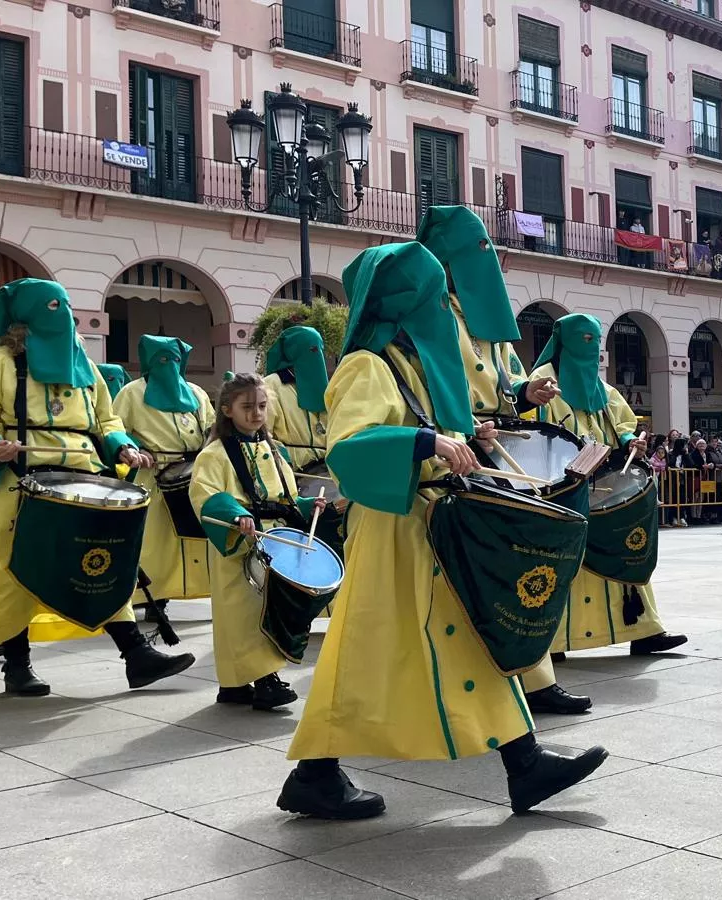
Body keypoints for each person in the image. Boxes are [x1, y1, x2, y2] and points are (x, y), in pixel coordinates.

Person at [282, 241, 607, 820]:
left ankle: (524, 763)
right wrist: (426, 442)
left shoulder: (410, 366)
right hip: (393, 531)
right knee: (366, 648)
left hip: (427, 526)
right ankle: (316, 773)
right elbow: (348, 448)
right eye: (434, 298)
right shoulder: (367, 365)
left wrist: (468, 435)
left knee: (466, 640)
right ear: (408, 304)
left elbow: (422, 429)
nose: (444, 312)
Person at [0, 279, 193, 696]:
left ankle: (136, 654)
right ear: (26, 315)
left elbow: (106, 419)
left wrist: (123, 446)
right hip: (20, 482)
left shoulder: (81, 360)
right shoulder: (0, 363)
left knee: (105, 563)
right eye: (52, 304)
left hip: (85, 477)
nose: (63, 312)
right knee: (15, 571)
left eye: (64, 303)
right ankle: (17, 665)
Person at [417, 205, 588, 716]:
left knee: (519, 563)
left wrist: (528, 391)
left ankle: (534, 679)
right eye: (475, 250)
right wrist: (465, 426)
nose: (485, 258)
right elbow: (425, 388)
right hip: (461, 455)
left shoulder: (487, 316)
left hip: (502, 449)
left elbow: (506, 382)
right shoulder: (429, 312)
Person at [524, 313, 688, 657]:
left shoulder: (600, 386)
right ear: (565, 340)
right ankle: (555, 642)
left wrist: (630, 440)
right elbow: (533, 427)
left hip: (602, 483)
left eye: (596, 340)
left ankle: (644, 630)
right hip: (563, 487)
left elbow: (620, 419)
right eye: (585, 339)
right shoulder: (543, 379)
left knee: (624, 548)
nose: (592, 347)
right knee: (565, 560)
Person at [191, 373, 327, 711]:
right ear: (226, 410)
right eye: (247, 406)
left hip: (273, 539)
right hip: (241, 541)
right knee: (245, 613)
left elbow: (285, 498)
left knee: (264, 609)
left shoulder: (273, 449)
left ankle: (235, 685)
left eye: (262, 406)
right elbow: (205, 494)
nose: (256, 413)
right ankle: (266, 681)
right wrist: (235, 514)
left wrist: (310, 508)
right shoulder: (215, 454)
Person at [116, 335, 216, 603]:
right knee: (154, 543)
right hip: (153, 476)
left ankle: (197, 587)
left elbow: (211, 426)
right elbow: (116, 429)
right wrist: (135, 448)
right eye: (161, 359)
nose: (168, 364)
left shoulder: (195, 393)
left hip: (192, 473)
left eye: (173, 358)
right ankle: (152, 598)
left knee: (191, 539)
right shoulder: (132, 392)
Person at [263, 325, 331, 470]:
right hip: (293, 471)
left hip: (328, 468)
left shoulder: (324, 386)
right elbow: (262, 433)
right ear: (294, 352)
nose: (317, 355)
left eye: (319, 350)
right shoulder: (271, 385)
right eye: (311, 350)